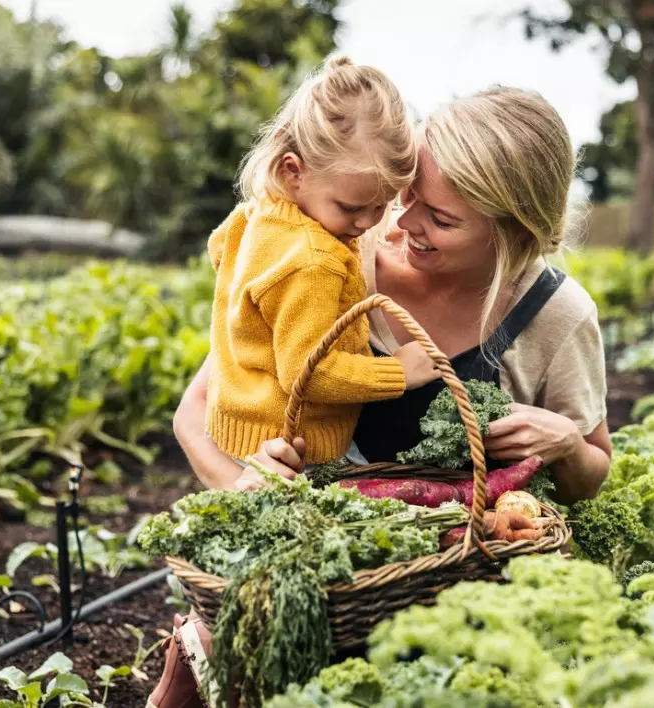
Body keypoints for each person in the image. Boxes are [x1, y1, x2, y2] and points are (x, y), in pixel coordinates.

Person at [148, 84, 612, 708]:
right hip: (332, 586)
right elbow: (195, 411)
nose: (402, 223)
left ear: (515, 229)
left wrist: (563, 444)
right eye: (408, 195)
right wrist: (242, 486)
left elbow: (592, 472)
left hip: (465, 583)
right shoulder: (337, 250)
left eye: (441, 219)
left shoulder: (556, 316)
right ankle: (198, 654)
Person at [201, 53, 440, 487]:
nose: (369, 223)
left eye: (381, 206)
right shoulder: (314, 260)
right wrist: (399, 373)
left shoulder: (257, 216)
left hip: (240, 424)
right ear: (294, 171)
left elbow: (220, 251)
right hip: (293, 445)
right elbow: (308, 373)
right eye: (351, 207)